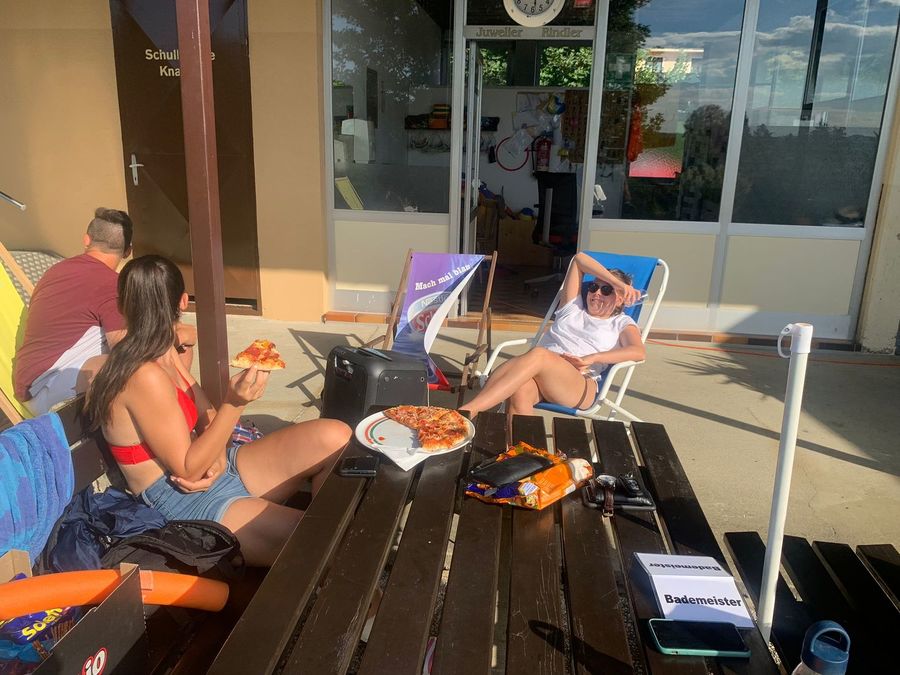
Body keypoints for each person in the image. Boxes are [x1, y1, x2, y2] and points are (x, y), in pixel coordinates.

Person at [85, 255, 349, 567]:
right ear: (184, 301)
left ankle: (327, 547)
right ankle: (328, 561)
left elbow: (206, 416)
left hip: (215, 469)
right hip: (182, 500)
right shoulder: (143, 375)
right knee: (321, 540)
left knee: (335, 436)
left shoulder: (165, 351)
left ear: (122, 305)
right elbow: (187, 469)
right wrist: (235, 404)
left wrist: (219, 456)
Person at [13, 208, 195, 415]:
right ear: (128, 251)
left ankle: (173, 415)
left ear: (86, 240)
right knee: (171, 351)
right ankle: (175, 417)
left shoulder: (55, 271)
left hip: (30, 384)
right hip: (52, 389)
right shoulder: (112, 286)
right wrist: (181, 335)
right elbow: (129, 349)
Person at [460, 252, 645, 417]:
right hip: (540, 373)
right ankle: (522, 445)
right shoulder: (572, 308)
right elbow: (579, 259)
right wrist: (616, 283)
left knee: (540, 354)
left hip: (579, 382)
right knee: (520, 390)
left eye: (606, 290)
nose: (596, 293)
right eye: (593, 287)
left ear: (620, 300)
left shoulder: (621, 322)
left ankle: (467, 413)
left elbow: (638, 351)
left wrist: (593, 358)